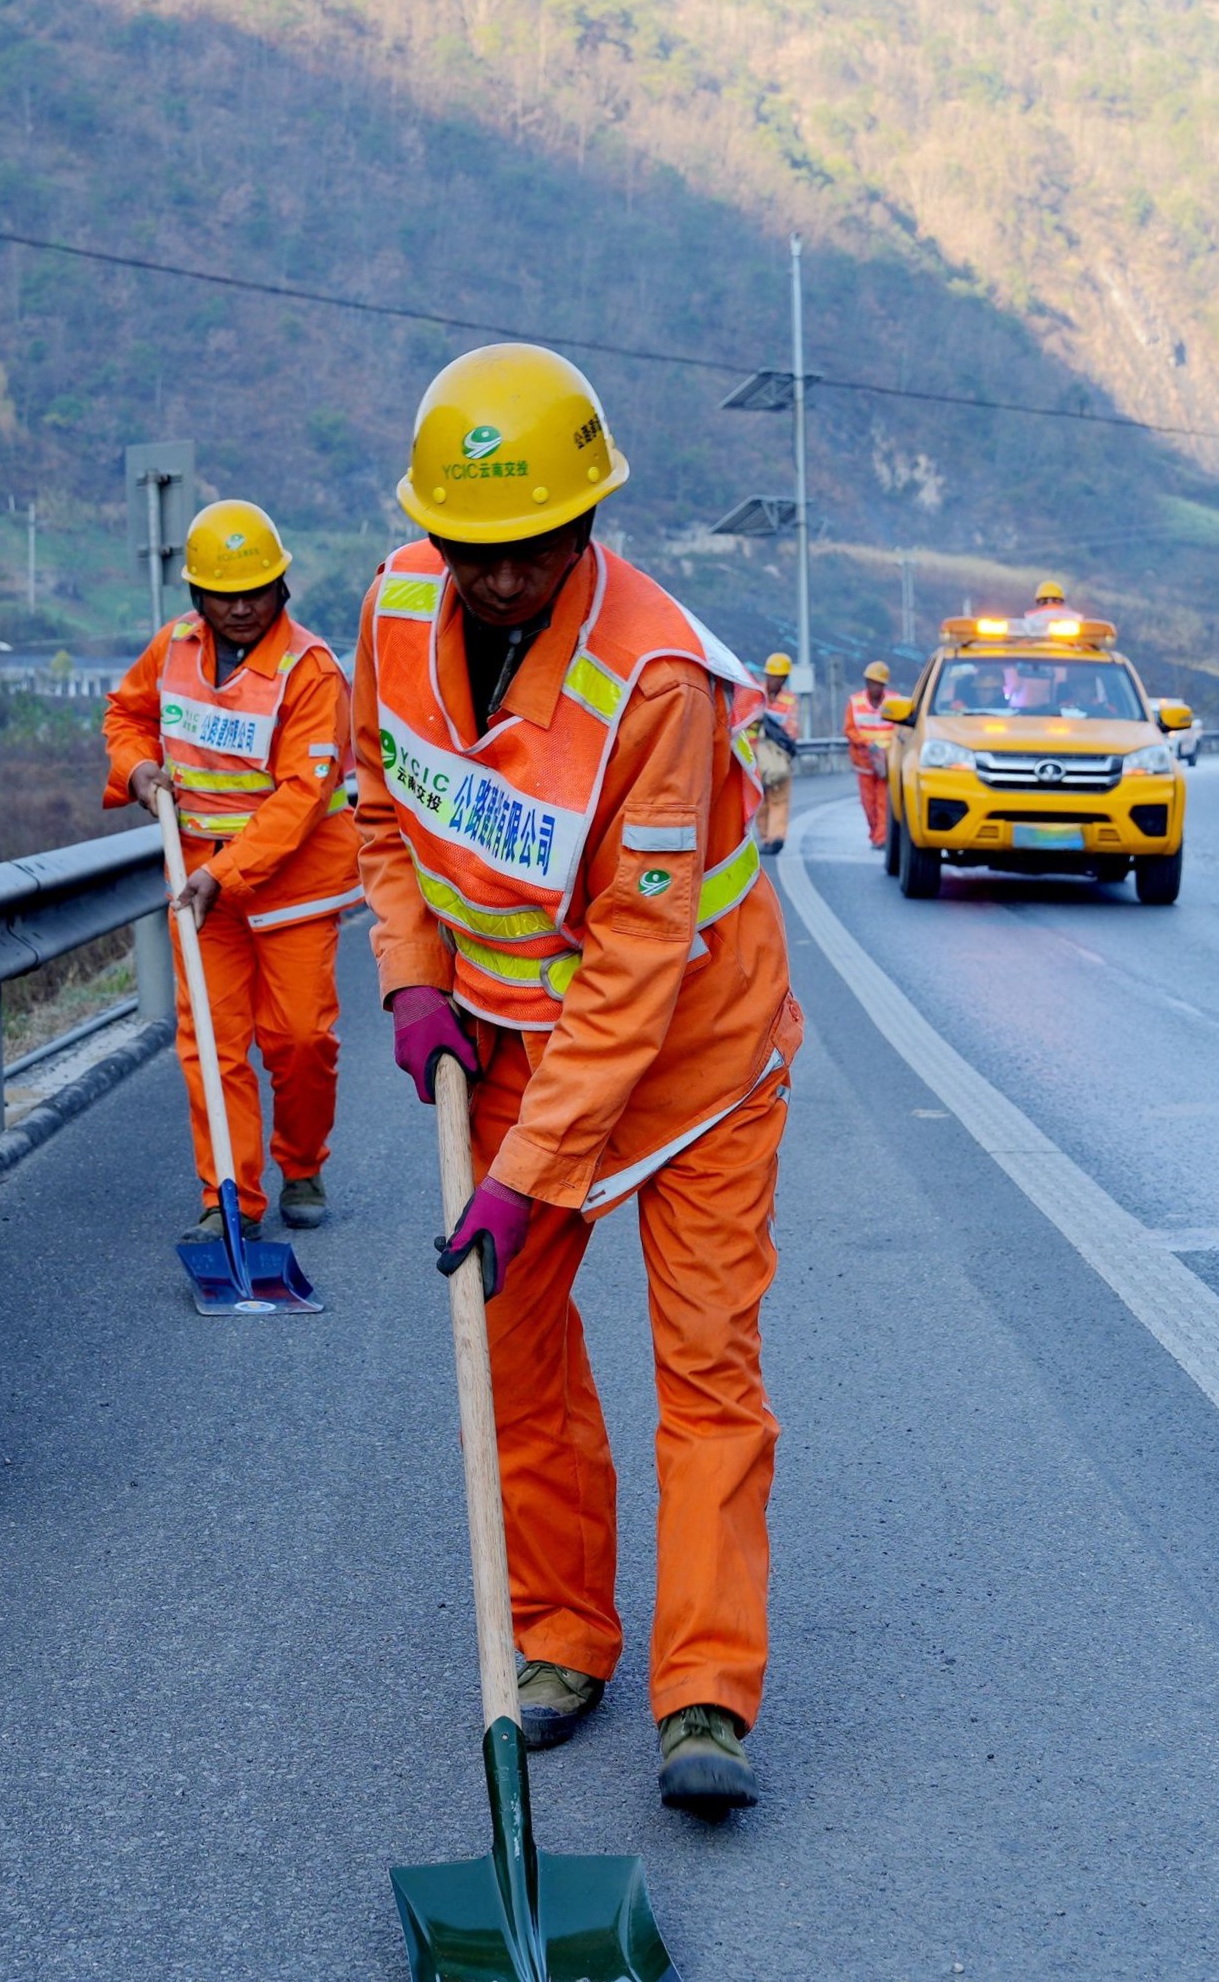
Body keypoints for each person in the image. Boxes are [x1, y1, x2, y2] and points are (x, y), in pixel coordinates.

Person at [353, 342, 804, 1818]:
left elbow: (633, 963)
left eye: (531, 547)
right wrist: (414, 975)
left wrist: (523, 1175)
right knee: (512, 1346)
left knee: (706, 1366)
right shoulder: (392, 607)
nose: (497, 579)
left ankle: (705, 1693)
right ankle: (557, 1636)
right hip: (505, 1035)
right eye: (468, 547)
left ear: (587, 520)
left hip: (693, 1058)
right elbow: (382, 805)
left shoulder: (655, 678)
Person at [101, 499, 361, 1239]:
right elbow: (127, 716)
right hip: (200, 885)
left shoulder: (310, 671)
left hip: (290, 887)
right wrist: (138, 770)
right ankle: (229, 1201)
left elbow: (302, 796)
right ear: (197, 594)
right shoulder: (172, 647)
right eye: (224, 594)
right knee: (212, 1045)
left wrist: (225, 873)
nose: (242, 607)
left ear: (281, 586)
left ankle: (302, 1163)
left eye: (256, 591)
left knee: (301, 1041)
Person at [842, 659, 898, 848]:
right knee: (868, 803)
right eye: (872, 683)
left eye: (878, 684)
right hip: (864, 763)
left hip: (885, 764)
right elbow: (849, 730)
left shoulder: (894, 702)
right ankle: (875, 832)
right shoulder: (855, 702)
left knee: (883, 802)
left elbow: (900, 729)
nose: (875, 687)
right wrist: (867, 743)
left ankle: (881, 837)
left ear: (883, 685)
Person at [752, 651, 799, 854]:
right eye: (772, 676)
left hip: (778, 758)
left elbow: (792, 730)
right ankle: (767, 838)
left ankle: (776, 838)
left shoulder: (789, 700)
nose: (775, 681)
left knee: (779, 798)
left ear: (785, 678)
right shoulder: (754, 694)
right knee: (760, 799)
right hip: (754, 757)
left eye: (779, 677)